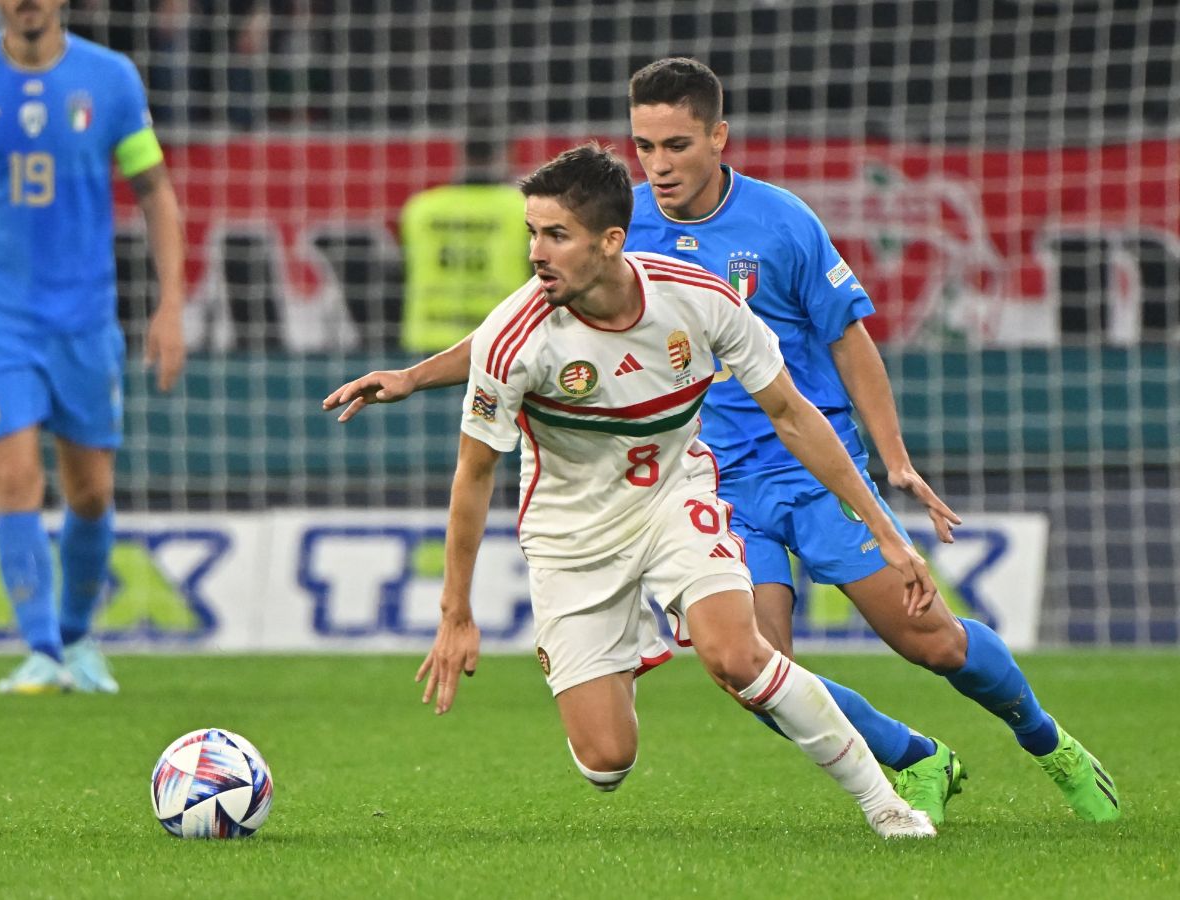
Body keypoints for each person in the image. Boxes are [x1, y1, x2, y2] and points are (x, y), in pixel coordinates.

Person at [326, 58, 1121, 826]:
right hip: (712, 476)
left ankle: (1047, 743)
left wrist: (896, 458)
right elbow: (520, 321)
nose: (659, 164)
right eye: (644, 145)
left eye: (676, 145)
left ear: (719, 139)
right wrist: (413, 375)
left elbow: (849, 341)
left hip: (807, 459)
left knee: (930, 639)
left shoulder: (783, 222)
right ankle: (914, 757)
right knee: (753, 670)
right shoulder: (612, 224)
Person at [412, 145, 935, 838]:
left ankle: (887, 803)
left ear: (610, 242)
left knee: (740, 657)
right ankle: (630, 640)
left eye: (556, 235)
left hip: (671, 499)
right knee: (606, 762)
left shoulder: (698, 299)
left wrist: (888, 532)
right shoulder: (513, 339)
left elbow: (793, 413)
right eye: (532, 233)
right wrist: (456, 612)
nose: (537, 252)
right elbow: (473, 475)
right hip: (573, 540)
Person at [0, 0, 187, 694]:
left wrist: (172, 303)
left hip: (84, 321)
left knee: (90, 492)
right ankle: (39, 651)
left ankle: (75, 637)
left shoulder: (112, 79)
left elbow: (153, 190)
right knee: (14, 477)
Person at [397, 111, 530, 352]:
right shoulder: (524, 208)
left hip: (427, 342)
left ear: (461, 150)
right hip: (499, 342)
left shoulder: (421, 208)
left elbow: (402, 274)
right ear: (509, 152)